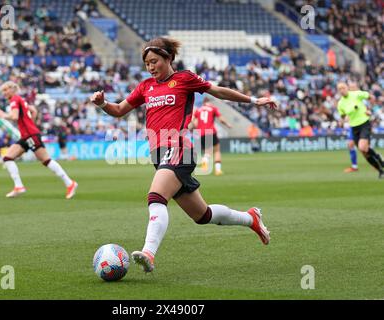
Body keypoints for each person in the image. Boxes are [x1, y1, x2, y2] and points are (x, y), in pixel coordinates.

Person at [91, 37, 277, 273]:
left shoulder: (184, 79)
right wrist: (102, 103)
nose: (151, 67)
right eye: (147, 63)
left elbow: (218, 91)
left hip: (179, 147)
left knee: (155, 197)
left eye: (155, 61)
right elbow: (118, 110)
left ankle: (148, 252)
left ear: (169, 58)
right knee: (203, 215)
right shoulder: (145, 86)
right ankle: (251, 218)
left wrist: (254, 100)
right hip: (159, 155)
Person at [0, 81, 78, 198]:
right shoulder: (20, 100)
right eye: (3, 91)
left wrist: (3, 115)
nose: (4, 93)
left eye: (5, 90)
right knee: (8, 157)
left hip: (30, 135)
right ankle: (19, 186)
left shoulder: (14, 99)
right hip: (26, 135)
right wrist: (29, 123)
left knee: (46, 160)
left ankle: (70, 183)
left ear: (12, 90)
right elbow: (33, 110)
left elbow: (14, 116)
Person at [337, 82, 383, 178]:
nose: (342, 90)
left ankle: (379, 159)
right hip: (354, 127)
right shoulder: (340, 103)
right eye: (340, 89)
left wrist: (370, 109)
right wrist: (343, 120)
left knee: (362, 147)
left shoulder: (356, 94)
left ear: (347, 88)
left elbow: (371, 97)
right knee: (364, 152)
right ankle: (380, 170)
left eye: (343, 88)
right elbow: (342, 115)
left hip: (364, 124)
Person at [191, 96, 232, 175]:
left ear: (203, 103)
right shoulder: (213, 108)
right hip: (211, 132)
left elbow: (194, 123)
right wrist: (228, 124)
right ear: (209, 102)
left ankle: (205, 160)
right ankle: (217, 170)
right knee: (216, 151)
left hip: (201, 133)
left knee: (207, 151)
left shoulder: (198, 110)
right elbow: (221, 119)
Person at [344, 81, 360, 173]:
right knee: (350, 144)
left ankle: (378, 162)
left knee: (365, 148)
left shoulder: (360, 97)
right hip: (353, 125)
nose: (351, 89)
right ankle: (354, 166)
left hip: (362, 124)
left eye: (353, 87)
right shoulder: (347, 99)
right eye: (350, 87)